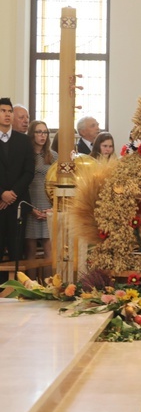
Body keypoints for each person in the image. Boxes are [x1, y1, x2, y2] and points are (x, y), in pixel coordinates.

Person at [0, 98, 35, 282]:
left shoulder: (23, 140)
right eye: (3, 111)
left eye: (9, 111)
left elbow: (29, 171)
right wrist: (1, 194)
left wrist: (11, 194)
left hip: (17, 203)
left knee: (16, 250)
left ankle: (15, 288)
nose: (7, 114)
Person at [25, 120, 57, 270]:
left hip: (48, 204)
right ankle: (31, 288)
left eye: (45, 132)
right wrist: (30, 208)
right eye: (38, 132)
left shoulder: (53, 156)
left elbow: (58, 182)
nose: (42, 135)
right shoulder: (25, 155)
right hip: (31, 201)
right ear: (32, 134)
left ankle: (49, 286)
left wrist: (53, 208)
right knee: (30, 250)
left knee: (48, 249)